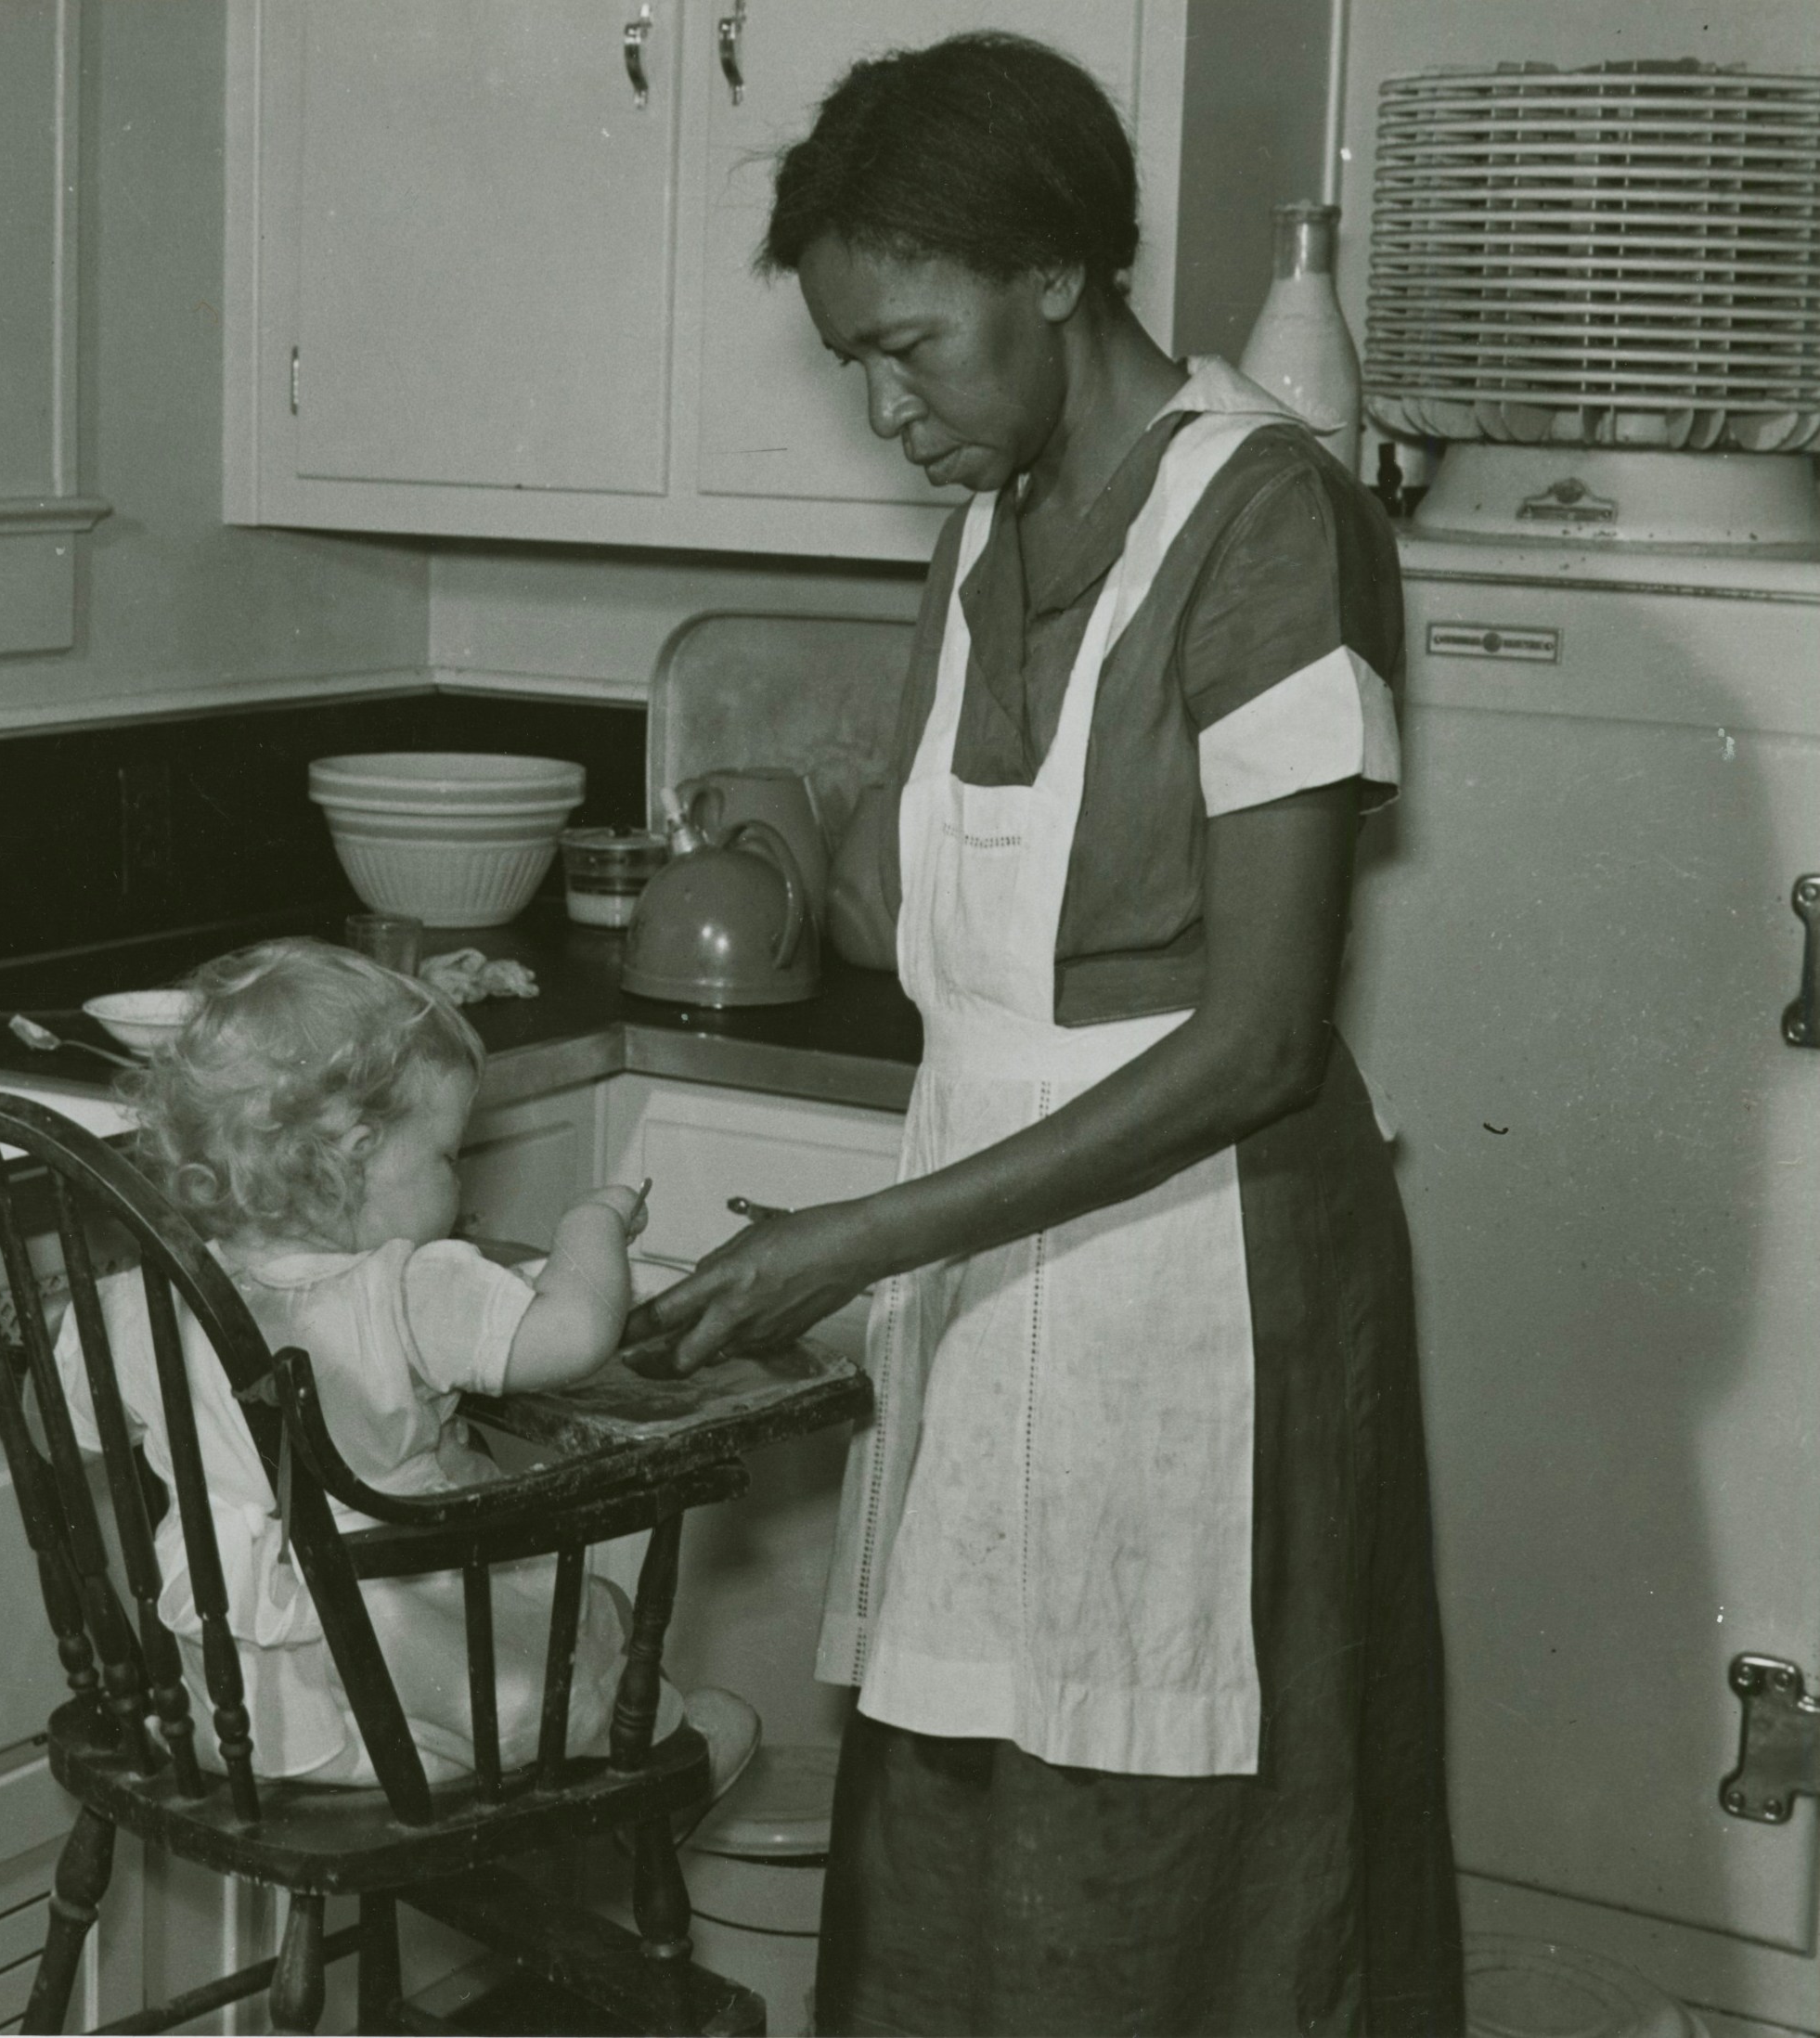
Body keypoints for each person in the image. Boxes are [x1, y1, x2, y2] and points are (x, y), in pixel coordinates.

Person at [627, 32, 1466, 2036]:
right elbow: (953, 939)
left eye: (908, 345)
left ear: (1059, 274)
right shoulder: (987, 528)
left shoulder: (1269, 522)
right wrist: (777, 826)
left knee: (1184, 1847)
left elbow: (1260, 1034)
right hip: (993, 1263)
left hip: (1208, 1280)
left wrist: (846, 1244)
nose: (882, 404)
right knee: (959, 1813)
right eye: (853, 359)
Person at [58, 938, 755, 1796]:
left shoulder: (138, 1300)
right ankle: (654, 1762)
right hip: (421, 1699)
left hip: (232, 1716)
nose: (457, 1180)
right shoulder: (408, 1287)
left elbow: (59, 1424)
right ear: (353, 1151)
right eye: (447, 1156)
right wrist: (593, 1224)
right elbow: (574, 1334)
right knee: (584, 1631)